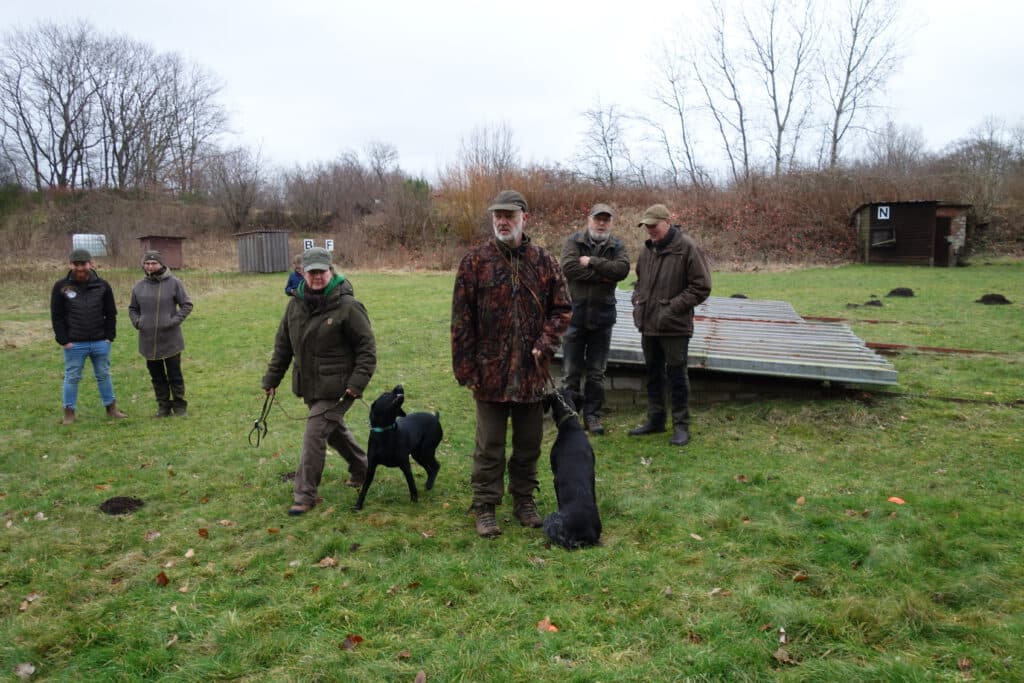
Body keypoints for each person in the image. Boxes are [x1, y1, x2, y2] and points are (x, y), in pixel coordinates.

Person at [451, 189, 572, 537]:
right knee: (488, 444)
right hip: (489, 373)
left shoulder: (544, 262)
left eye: (510, 215)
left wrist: (545, 342)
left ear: (524, 218)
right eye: (497, 216)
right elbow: (461, 320)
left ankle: (524, 499)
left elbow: (562, 310)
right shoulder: (475, 262)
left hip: (532, 373)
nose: (503, 221)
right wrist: (466, 369)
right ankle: (486, 505)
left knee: (528, 443)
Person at [262, 247, 376, 516]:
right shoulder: (295, 305)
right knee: (333, 431)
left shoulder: (348, 307)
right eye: (311, 272)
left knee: (314, 435)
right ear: (303, 272)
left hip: (339, 388)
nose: (316, 277)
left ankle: (305, 494)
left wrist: (356, 385)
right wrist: (271, 378)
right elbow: (283, 346)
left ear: (330, 271)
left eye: (321, 272)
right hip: (310, 386)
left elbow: (367, 350)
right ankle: (362, 468)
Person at [628, 204, 712, 447]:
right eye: (647, 227)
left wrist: (672, 307)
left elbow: (701, 286)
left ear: (667, 221)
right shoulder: (647, 250)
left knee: (676, 376)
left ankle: (681, 426)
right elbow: (641, 281)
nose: (650, 230)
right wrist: (638, 299)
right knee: (653, 375)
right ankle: (655, 420)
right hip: (648, 324)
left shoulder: (687, 247)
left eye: (654, 226)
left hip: (674, 326)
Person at [559, 203, 630, 435]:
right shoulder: (573, 242)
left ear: (611, 222)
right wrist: (603, 276)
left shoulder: (616, 245)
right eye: (598, 219)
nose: (601, 223)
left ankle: (592, 416)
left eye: (606, 220)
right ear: (589, 219)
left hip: (603, 317)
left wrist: (592, 261)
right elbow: (569, 268)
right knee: (571, 372)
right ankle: (570, 417)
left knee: (597, 372)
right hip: (575, 315)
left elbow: (621, 270)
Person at [50, 248, 127, 424]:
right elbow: (57, 315)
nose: (79, 268)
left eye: (83, 264)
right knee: (72, 377)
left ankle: (111, 408)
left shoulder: (103, 285)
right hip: (74, 343)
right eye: (76, 264)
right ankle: (69, 413)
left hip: (100, 341)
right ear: (70, 265)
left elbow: (111, 313)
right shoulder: (61, 287)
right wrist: (63, 340)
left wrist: (109, 337)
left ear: (90, 264)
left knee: (104, 375)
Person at [128, 251, 194, 417]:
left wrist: (173, 321)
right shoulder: (138, 286)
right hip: (148, 340)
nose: (150, 266)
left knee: (174, 374)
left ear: (161, 265)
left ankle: (179, 406)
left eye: (154, 263)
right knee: (157, 376)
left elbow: (187, 305)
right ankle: (163, 406)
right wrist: (138, 322)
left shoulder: (174, 283)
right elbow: (133, 309)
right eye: (147, 264)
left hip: (171, 339)